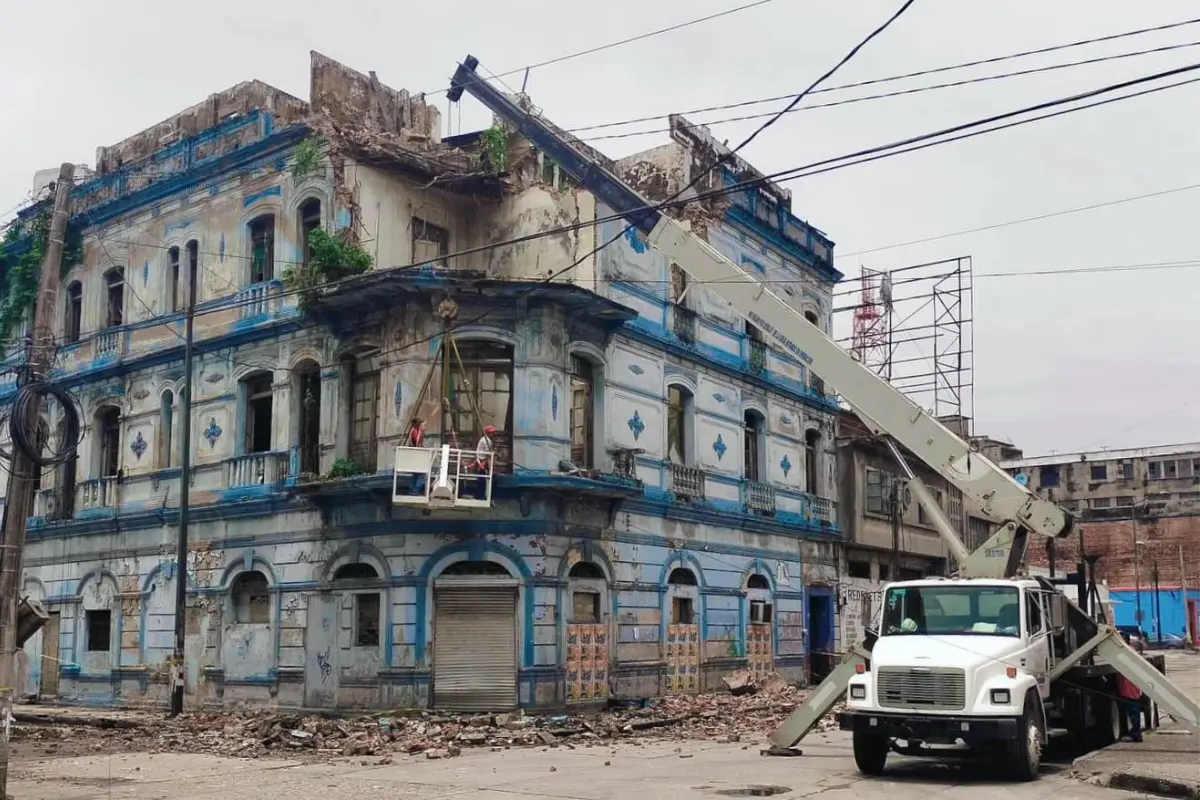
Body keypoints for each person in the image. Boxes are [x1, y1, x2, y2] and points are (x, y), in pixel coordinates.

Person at [1116, 672, 1144, 742]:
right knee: (1132, 707)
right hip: (1129, 683)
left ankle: (1136, 733)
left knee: (1132, 708)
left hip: (1129, 684)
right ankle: (1136, 733)